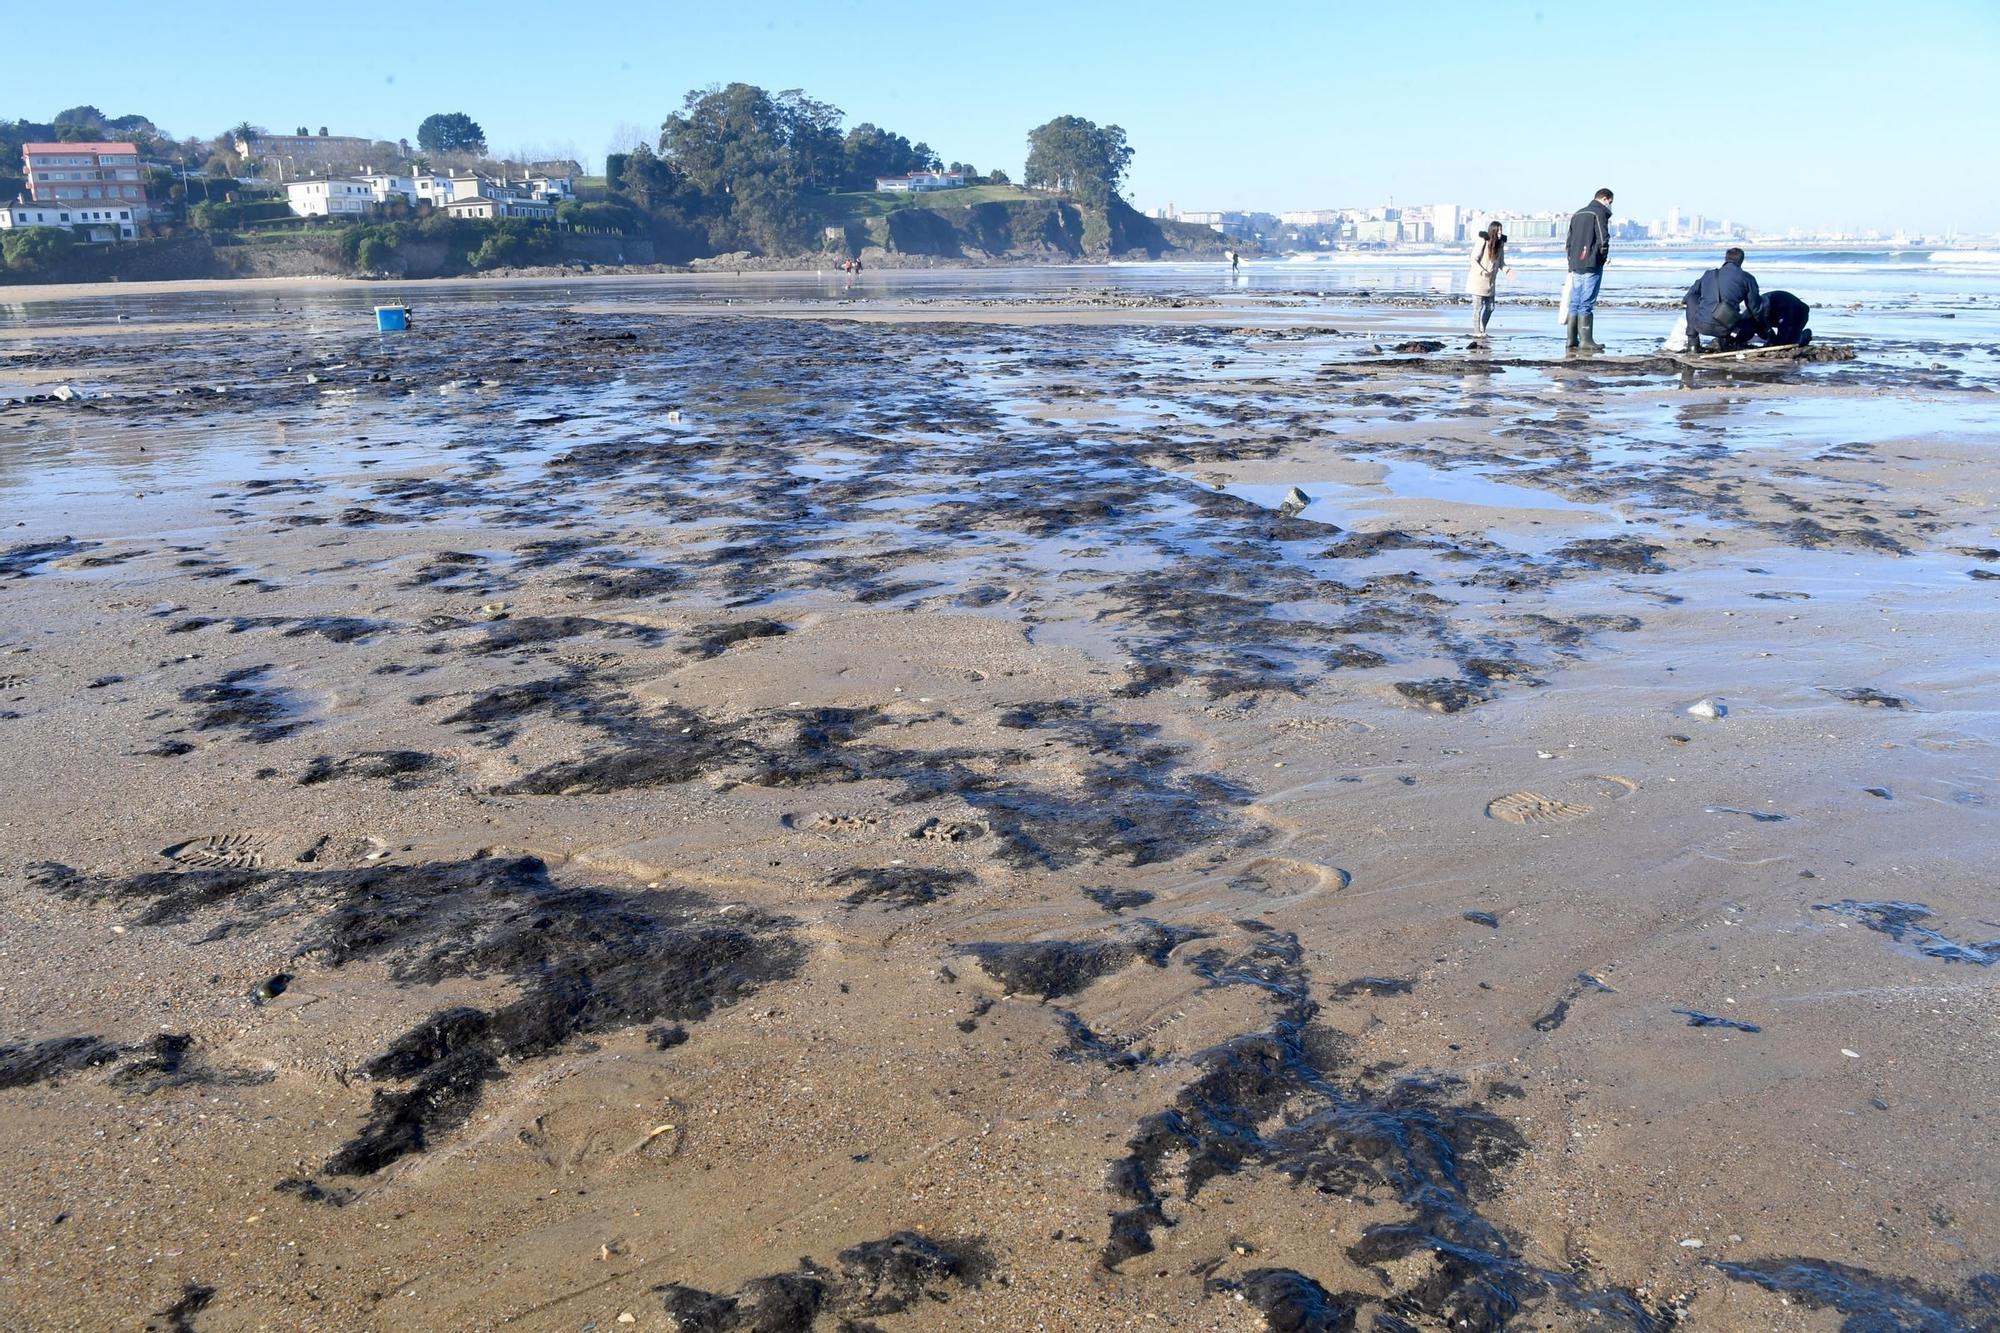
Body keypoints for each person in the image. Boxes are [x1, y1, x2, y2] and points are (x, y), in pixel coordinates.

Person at [1682, 248, 1766, 352]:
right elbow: (1755, 308)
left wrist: (1706, 299)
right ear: (1741, 261)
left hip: (1701, 325)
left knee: (1692, 298)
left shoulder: (1709, 274)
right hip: (1728, 329)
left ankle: (1693, 344)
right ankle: (1728, 342)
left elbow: (1687, 297)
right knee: (1751, 311)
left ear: (1725, 259)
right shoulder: (1747, 278)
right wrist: (1766, 329)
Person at [1564, 188, 1614, 353]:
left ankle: (1571, 339)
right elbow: (1603, 239)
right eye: (1610, 202)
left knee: (1575, 301)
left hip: (1576, 262)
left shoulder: (1577, 214)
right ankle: (1586, 340)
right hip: (1592, 262)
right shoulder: (1598, 213)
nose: (1610, 206)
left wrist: (1571, 262)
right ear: (1605, 199)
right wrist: (1602, 258)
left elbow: (1569, 242)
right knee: (1586, 302)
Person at [1466, 221, 1507, 344]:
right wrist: (1482, 271)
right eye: (1498, 231)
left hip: (1490, 283)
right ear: (1493, 231)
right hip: (1478, 281)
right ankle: (1477, 332)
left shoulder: (1500, 244)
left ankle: (1482, 329)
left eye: (1501, 230)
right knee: (1478, 308)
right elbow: (1473, 259)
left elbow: (1501, 263)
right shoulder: (1483, 241)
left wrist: (1508, 270)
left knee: (1490, 307)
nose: (1500, 233)